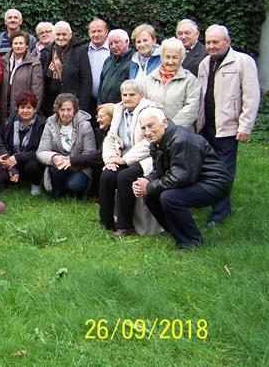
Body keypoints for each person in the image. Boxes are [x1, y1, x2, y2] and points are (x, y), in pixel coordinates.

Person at [133, 108, 233, 250]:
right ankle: (176, 232)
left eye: (151, 126)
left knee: (170, 197)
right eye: (143, 128)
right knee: (150, 194)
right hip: (195, 179)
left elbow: (181, 178)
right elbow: (159, 171)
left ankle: (191, 242)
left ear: (165, 123)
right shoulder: (157, 142)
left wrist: (149, 186)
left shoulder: (182, 140)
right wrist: (146, 182)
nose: (147, 132)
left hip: (214, 184)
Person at [196, 24, 260, 227]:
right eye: (208, 42)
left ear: (227, 42)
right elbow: (201, 96)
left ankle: (220, 214)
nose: (211, 46)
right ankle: (212, 202)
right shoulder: (205, 63)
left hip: (228, 127)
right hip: (207, 125)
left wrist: (245, 126)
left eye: (216, 42)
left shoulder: (243, 62)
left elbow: (251, 96)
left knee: (224, 171)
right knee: (208, 169)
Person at [99, 80, 161, 236]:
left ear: (141, 95)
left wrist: (125, 160)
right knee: (107, 174)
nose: (127, 98)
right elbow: (111, 137)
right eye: (124, 95)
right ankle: (106, 221)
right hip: (121, 156)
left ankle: (125, 226)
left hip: (147, 158)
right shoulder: (119, 109)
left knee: (124, 176)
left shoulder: (150, 111)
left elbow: (150, 141)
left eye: (132, 94)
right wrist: (111, 158)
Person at [36, 93, 96, 199]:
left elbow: (90, 154)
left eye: (69, 110)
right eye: (62, 110)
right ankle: (56, 194)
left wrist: (72, 161)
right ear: (57, 110)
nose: (65, 113)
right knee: (55, 170)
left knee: (73, 184)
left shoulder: (85, 125)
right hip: (59, 164)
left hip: (79, 166)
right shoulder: (50, 124)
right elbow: (41, 151)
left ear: (75, 110)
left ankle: (74, 191)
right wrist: (54, 157)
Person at [143, 37, 200, 129]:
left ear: (181, 58)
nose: (170, 62)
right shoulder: (149, 79)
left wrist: (170, 128)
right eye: (167, 57)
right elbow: (144, 105)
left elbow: (191, 108)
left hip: (181, 134)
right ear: (161, 57)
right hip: (154, 132)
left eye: (175, 57)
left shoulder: (190, 80)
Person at [40, 21, 93, 117]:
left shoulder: (80, 51)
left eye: (64, 34)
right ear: (53, 35)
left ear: (70, 35)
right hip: (51, 102)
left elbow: (86, 80)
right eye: (58, 34)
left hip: (73, 102)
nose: (61, 37)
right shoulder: (47, 51)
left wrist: (82, 107)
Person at [0, 91, 46, 195]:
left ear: (35, 109)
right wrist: (9, 163)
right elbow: (1, 144)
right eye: (22, 107)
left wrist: (19, 158)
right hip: (11, 162)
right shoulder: (8, 123)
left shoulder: (42, 125)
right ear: (17, 108)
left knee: (33, 166)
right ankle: (12, 177)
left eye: (29, 108)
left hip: (29, 161)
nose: (25, 111)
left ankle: (36, 183)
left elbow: (42, 151)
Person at [69, 102, 115, 200]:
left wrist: (71, 160)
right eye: (98, 116)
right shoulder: (103, 132)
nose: (98, 120)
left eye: (102, 117)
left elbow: (99, 156)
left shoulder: (114, 134)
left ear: (112, 117)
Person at [0, 30, 43, 123]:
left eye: (21, 43)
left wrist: (32, 111)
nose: (18, 46)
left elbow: (37, 92)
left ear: (27, 45)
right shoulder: (3, 61)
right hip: (4, 108)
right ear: (11, 45)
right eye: (15, 43)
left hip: (23, 109)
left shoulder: (34, 64)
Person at [98, 29, 135, 104]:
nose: (113, 46)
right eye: (111, 44)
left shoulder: (135, 59)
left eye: (117, 42)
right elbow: (101, 86)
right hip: (105, 109)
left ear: (127, 42)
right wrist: (99, 105)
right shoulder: (108, 61)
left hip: (124, 108)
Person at [87, 18, 110, 112]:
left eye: (99, 31)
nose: (96, 34)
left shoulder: (113, 50)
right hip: (89, 101)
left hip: (108, 101)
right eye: (93, 31)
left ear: (106, 32)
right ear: (89, 33)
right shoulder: (84, 51)